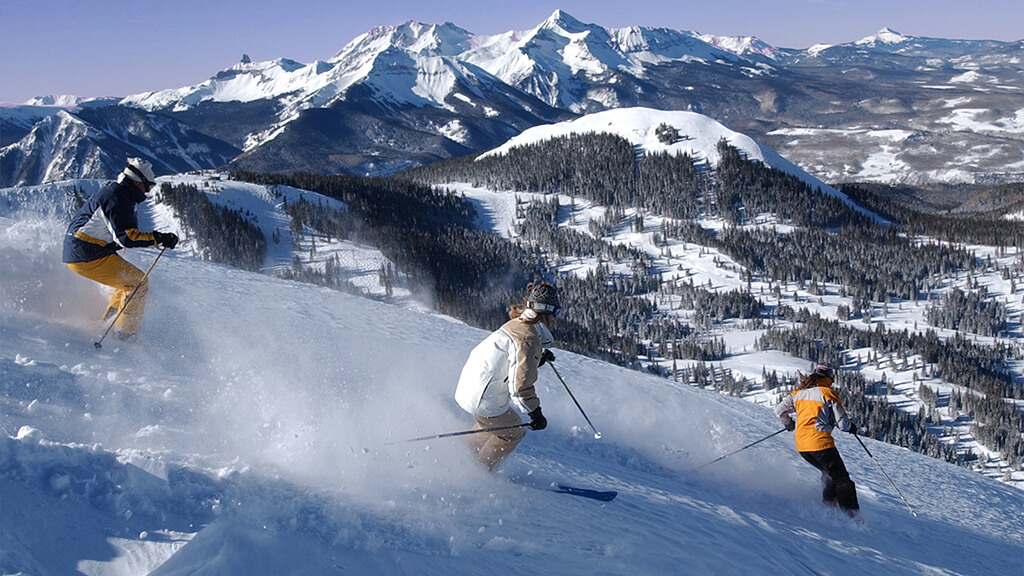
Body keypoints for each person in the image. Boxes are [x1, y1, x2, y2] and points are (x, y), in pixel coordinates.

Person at [63, 158, 179, 341]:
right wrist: (159, 238)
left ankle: (109, 323)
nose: (148, 191)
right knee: (138, 283)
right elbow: (126, 237)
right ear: (136, 181)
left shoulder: (117, 192)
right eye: (147, 186)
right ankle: (125, 334)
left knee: (125, 284)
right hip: (86, 253)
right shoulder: (118, 198)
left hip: (85, 250)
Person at [454, 282, 561, 470]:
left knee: (492, 424)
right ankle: (479, 471)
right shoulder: (528, 339)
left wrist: (538, 358)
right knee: (513, 431)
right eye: (556, 312)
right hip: (483, 398)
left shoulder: (517, 324)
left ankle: (461, 454)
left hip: (469, 388)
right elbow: (520, 387)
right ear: (548, 312)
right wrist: (535, 413)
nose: (556, 317)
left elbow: (512, 360)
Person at [774, 364, 860, 516]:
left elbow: (779, 410)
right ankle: (852, 515)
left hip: (802, 446)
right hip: (820, 443)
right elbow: (842, 424)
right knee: (842, 479)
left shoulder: (798, 393)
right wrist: (851, 427)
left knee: (828, 473)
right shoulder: (828, 393)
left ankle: (830, 503)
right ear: (828, 378)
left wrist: (789, 423)